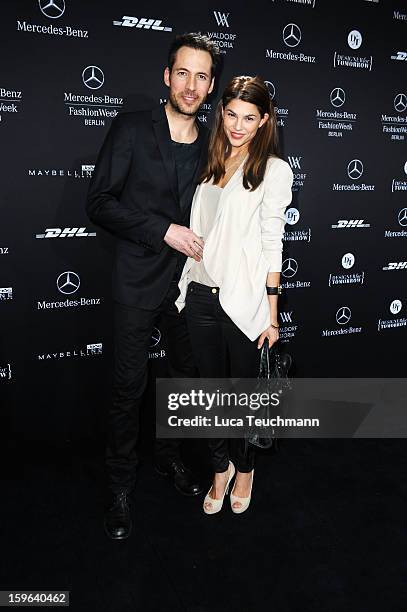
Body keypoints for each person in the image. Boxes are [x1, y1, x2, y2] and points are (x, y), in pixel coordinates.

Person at [86, 33, 220, 539]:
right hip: (139, 278)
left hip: (190, 284)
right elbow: (99, 201)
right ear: (167, 76)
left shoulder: (214, 141)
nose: (191, 85)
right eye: (182, 73)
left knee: (182, 381)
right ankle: (121, 485)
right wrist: (162, 230)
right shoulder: (131, 128)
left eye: (202, 76)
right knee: (128, 388)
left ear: (210, 86)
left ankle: (169, 459)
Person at [175, 76, 293, 514]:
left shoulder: (273, 170)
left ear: (264, 121)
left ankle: (245, 471)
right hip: (201, 295)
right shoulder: (211, 160)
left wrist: (271, 313)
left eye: (249, 118)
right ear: (220, 112)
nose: (238, 126)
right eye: (231, 115)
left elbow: (272, 244)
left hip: (243, 302)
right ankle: (219, 468)